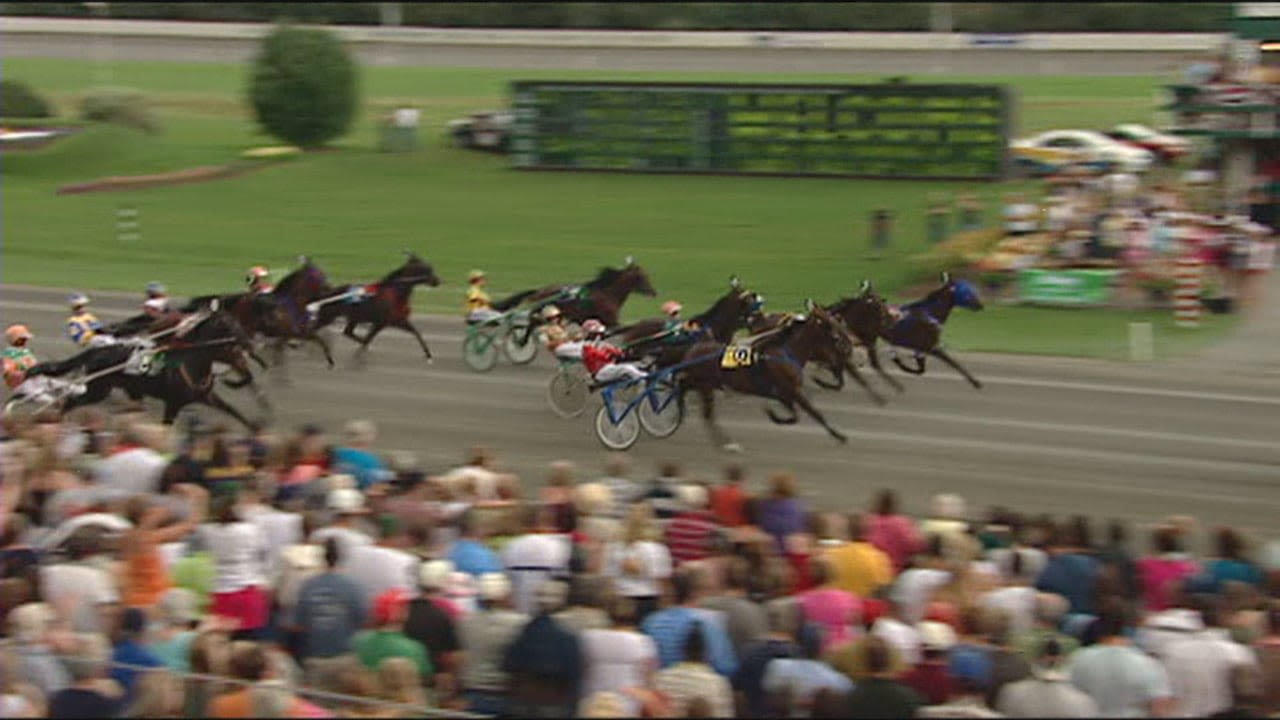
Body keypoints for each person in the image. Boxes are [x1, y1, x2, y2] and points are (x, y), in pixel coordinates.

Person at [580, 319, 648, 385]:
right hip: (601, 372)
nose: (600, 336)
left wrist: (622, 352)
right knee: (626, 368)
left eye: (600, 334)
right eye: (597, 334)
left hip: (608, 368)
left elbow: (616, 352)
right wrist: (610, 353)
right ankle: (644, 379)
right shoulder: (587, 348)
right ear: (591, 335)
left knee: (635, 365)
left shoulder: (600, 345)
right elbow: (601, 355)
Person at [2, 325, 37, 390]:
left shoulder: (25, 351)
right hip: (21, 383)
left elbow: (33, 364)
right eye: (23, 339)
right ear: (16, 339)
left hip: (33, 379)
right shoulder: (9, 354)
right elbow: (8, 372)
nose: (26, 341)